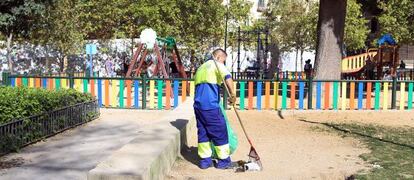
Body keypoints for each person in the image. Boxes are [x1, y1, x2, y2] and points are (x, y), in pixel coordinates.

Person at [193, 48, 236, 169]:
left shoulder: (201, 68)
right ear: (218, 57)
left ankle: (205, 161)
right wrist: (233, 94)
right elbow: (228, 77)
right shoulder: (217, 65)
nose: (223, 63)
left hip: (198, 106)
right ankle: (224, 161)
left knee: (203, 133)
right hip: (210, 105)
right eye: (223, 60)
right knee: (220, 131)